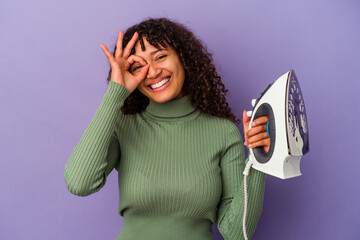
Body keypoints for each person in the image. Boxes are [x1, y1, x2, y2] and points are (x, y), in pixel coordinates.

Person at [64, 17, 269, 240]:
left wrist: (258, 161)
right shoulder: (124, 125)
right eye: (138, 66)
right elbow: (79, 183)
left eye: (160, 56)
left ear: (184, 58)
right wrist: (116, 93)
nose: (152, 72)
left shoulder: (223, 132)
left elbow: (236, 233)